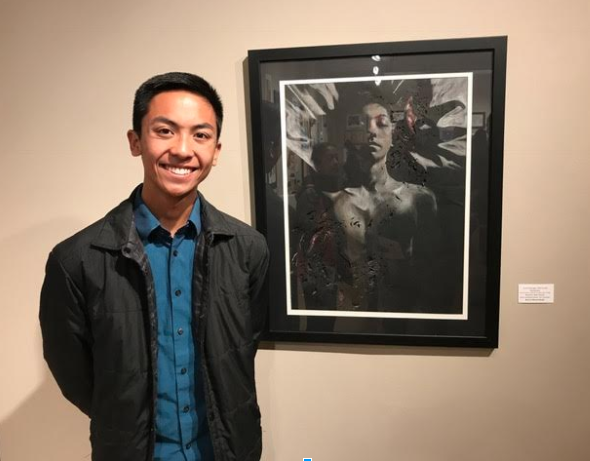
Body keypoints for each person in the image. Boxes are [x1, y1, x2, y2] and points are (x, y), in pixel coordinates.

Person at [39, 72, 269, 461]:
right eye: (165, 131)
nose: (183, 150)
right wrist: (126, 415)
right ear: (136, 141)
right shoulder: (76, 260)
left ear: (216, 149)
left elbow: (245, 346)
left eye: (200, 135)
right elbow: (75, 375)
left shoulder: (248, 249)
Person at [331, 97, 439, 312]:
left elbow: (433, 269)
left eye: (381, 124)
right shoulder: (341, 201)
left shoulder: (418, 198)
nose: (372, 131)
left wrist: (405, 259)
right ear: (353, 136)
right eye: (364, 123)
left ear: (392, 135)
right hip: (358, 312)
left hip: (404, 307)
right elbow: (343, 268)